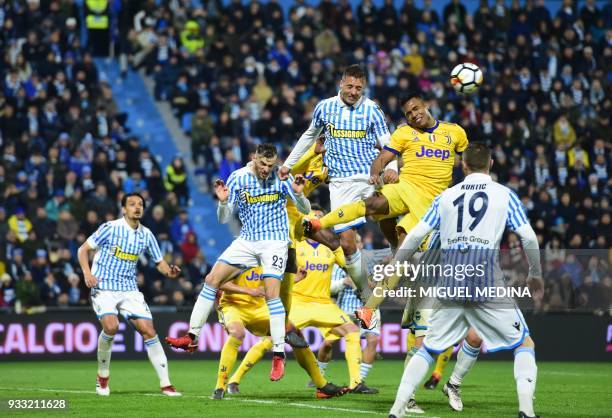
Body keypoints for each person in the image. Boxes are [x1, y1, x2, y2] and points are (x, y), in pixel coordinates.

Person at [386, 143, 542, 418]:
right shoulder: (504, 195)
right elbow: (528, 237)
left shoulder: (447, 196)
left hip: (450, 284)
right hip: (486, 283)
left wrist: (397, 264)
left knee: (427, 349)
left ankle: (396, 410)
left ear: (463, 165)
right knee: (523, 343)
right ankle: (526, 412)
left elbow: (415, 235)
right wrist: (535, 273)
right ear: (491, 164)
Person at [165, 144, 310, 381]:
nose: (266, 170)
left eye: (270, 165)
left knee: (272, 294)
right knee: (212, 279)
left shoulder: (282, 175)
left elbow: (305, 209)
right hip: (247, 241)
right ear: (254, 158)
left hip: (274, 241)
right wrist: (222, 202)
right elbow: (223, 218)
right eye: (263, 164)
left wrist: (300, 193)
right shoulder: (238, 178)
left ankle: (278, 355)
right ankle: (191, 337)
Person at [226, 206, 378, 394]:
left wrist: (367, 282)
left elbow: (350, 267)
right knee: (271, 340)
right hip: (298, 302)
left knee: (353, 331)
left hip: (324, 304)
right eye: (314, 219)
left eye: (321, 219)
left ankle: (356, 383)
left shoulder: (331, 247)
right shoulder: (294, 245)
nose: (319, 223)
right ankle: (234, 379)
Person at [279, 64, 398, 295]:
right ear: (341, 84)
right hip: (340, 182)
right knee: (346, 243)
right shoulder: (325, 108)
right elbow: (309, 136)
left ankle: (399, 253)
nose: (354, 92)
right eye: (350, 86)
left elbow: (388, 141)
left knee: (386, 213)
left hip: (369, 177)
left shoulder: (372, 109)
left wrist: (392, 167)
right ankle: (364, 291)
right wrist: (287, 164)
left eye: (359, 88)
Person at [77, 192, 182, 397]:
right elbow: (82, 250)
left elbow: (159, 262)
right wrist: (87, 273)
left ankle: (166, 384)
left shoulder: (146, 234)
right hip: (104, 287)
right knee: (111, 326)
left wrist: (169, 272)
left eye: (140, 204)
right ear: (124, 209)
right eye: (132, 204)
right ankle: (103, 377)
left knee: (149, 331)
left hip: (129, 289)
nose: (137, 207)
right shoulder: (110, 228)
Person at [212, 266, 347, 399]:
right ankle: (220, 385)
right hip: (232, 306)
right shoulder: (239, 255)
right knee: (237, 333)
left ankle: (322, 385)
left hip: (259, 307)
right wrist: (250, 291)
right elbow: (218, 282)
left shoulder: (269, 256)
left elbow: (272, 284)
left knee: (294, 333)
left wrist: (295, 279)